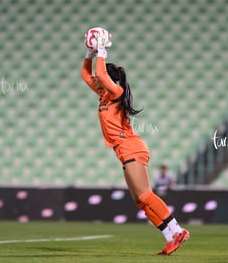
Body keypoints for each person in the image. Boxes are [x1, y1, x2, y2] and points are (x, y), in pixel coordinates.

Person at [80, 31, 189, 255]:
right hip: (123, 151)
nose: (97, 80)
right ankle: (170, 237)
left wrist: (101, 50)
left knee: (145, 195)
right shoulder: (103, 95)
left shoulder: (116, 92)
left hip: (132, 147)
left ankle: (178, 230)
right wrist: (89, 53)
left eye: (101, 80)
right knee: (140, 201)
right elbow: (85, 75)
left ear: (108, 80)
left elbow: (99, 72)